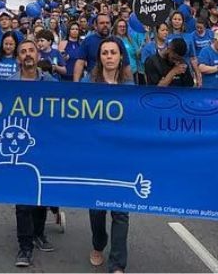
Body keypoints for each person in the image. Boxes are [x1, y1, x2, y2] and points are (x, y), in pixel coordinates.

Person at [88, 37, 132, 272]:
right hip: (95, 157)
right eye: (104, 53)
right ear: (100, 58)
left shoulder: (130, 87)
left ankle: (117, 264)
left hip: (121, 158)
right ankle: (98, 243)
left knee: (120, 212)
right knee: (96, 209)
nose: (109, 57)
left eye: (113, 52)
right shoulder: (90, 85)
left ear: (120, 56)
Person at [12, 38, 54, 268]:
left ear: (38, 56)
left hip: (44, 146)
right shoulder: (8, 84)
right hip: (18, 147)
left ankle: (38, 233)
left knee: (41, 197)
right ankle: (24, 246)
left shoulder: (50, 81)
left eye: (31, 51)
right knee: (22, 201)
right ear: (18, 58)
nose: (28, 54)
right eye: (23, 52)